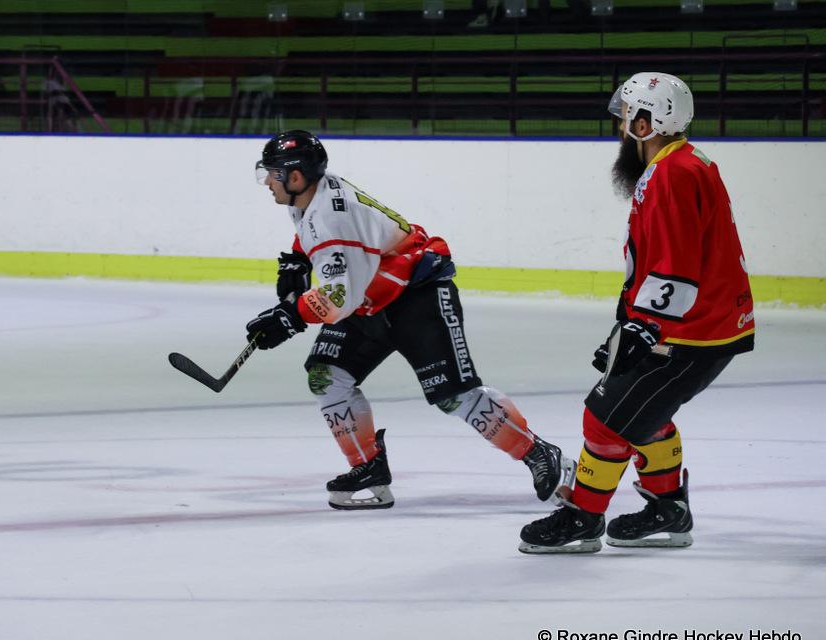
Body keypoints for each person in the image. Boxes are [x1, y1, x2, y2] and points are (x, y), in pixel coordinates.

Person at [246, 130, 574, 510]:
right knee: (326, 374)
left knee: (454, 396)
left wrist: (290, 317)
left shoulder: (329, 217)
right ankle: (368, 466)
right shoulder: (308, 197)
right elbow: (331, 249)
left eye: (273, 174)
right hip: (372, 296)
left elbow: (339, 297)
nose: (267, 182)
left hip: (418, 296)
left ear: (296, 176)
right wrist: (298, 257)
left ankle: (539, 453)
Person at [518, 73, 755, 553]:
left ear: (646, 124)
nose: (620, 126)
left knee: (604, 419)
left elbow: (675, 264)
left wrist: (644, 328)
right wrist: (630, 321)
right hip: (699, 324)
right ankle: (668, 511)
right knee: (645, 413)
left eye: (627, 116)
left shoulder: (672, 173)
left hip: (691, 332)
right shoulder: (681, 162)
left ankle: (583, 518)